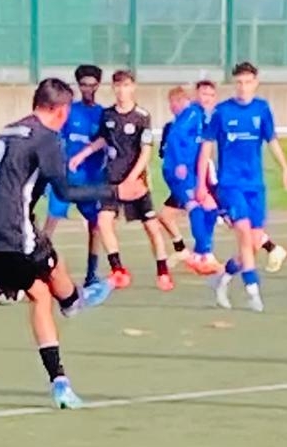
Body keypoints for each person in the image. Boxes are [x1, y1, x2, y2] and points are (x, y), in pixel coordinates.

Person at [0, 78, 123, 409]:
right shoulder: (47, 138)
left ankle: (60, 382)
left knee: (40, 294)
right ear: (61, 111)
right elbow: (66, 192)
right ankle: (74, 301)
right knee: (53, 269)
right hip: (15, 238)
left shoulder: (7, 132)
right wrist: (113, 191)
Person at [198, 62, 287, 312]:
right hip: (230, 185)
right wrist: (201, 184)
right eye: (239, 82)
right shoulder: (221, 112)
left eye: (248, 82)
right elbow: (206, 147)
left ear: (255, 83)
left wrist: (285, 168)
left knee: (252, 243)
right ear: (234, 84)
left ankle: (223, 278)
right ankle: (253, 291)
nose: (243, 87)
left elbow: (272, 140)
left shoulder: (262, 109)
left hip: (255, 185)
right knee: (243, 233)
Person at [70, 70, 170, 290]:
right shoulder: (107, 115)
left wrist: (132, 179)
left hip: (136, 182)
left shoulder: (142, 116)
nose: (121, 91)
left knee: (151, 226)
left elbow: (146, 152)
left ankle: (162, 270)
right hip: (112, 179)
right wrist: (81, 155)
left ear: (133, 87)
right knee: (103, 221)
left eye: (125, 86)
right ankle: (118, 269)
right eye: (117, 86)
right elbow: (102, 140)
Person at [43, 65, 106, 285]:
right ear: (78, 86)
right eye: (84, 85)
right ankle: (38, 269)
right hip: (66, 179)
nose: (88, 89)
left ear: (98, 85)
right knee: (50, 225)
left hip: (91, 180)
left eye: (92, 85)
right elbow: (54, 138)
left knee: (96, 225)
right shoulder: (69, 111)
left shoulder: (103, 114)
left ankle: (92, 273)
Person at [158, 85, 222, 275]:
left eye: (211, 95)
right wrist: (179, 163)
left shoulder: (203, 116)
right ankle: (203, 254)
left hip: (191, 171)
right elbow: (175, 137)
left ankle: (201, 253)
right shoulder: (193, 113)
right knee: (195, 206)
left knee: (211, 208)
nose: (207, 98)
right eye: (203, 94)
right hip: (180, 171)